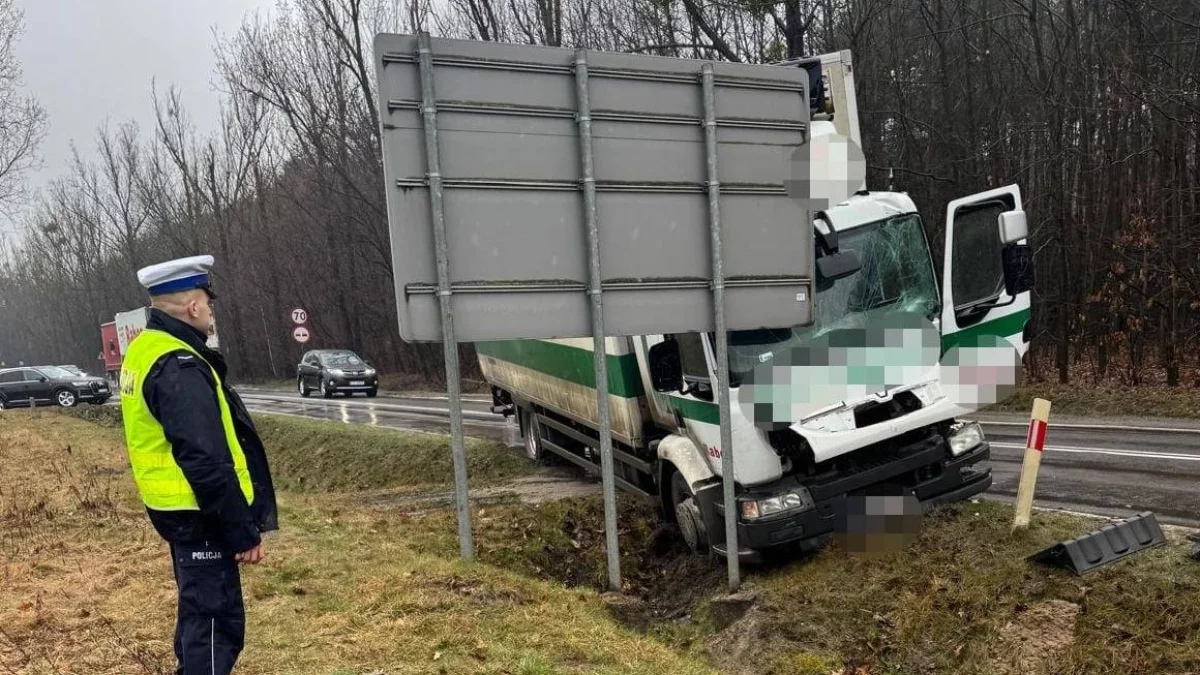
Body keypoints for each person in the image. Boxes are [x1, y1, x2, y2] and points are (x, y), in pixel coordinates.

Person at [119, 254, 277, 675]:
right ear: (193, 306)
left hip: (176, 510)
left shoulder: (145, 349)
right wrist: (242, 531)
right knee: (215, 626)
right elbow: (206, 460)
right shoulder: (179, 363)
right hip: (199, 514)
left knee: (198, 614)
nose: (210, 312)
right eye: (208, 303)